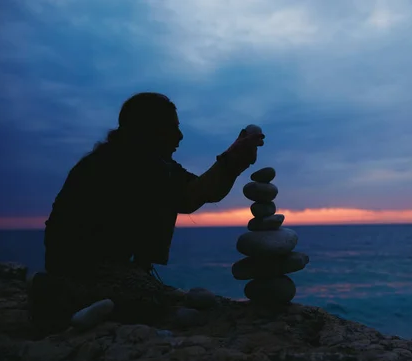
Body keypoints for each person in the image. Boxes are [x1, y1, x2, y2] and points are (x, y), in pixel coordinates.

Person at [28, 92, 265, 331]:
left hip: (102, 267)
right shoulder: (122, 163)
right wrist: (231, 159)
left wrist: (234, 161)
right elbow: (189, 196)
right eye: (172, 128)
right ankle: (60, 292)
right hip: (81, 269)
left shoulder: (155, 163)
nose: (180, 136)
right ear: (148, 130)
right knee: (149, 302)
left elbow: (201, 192)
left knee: (155, 300)